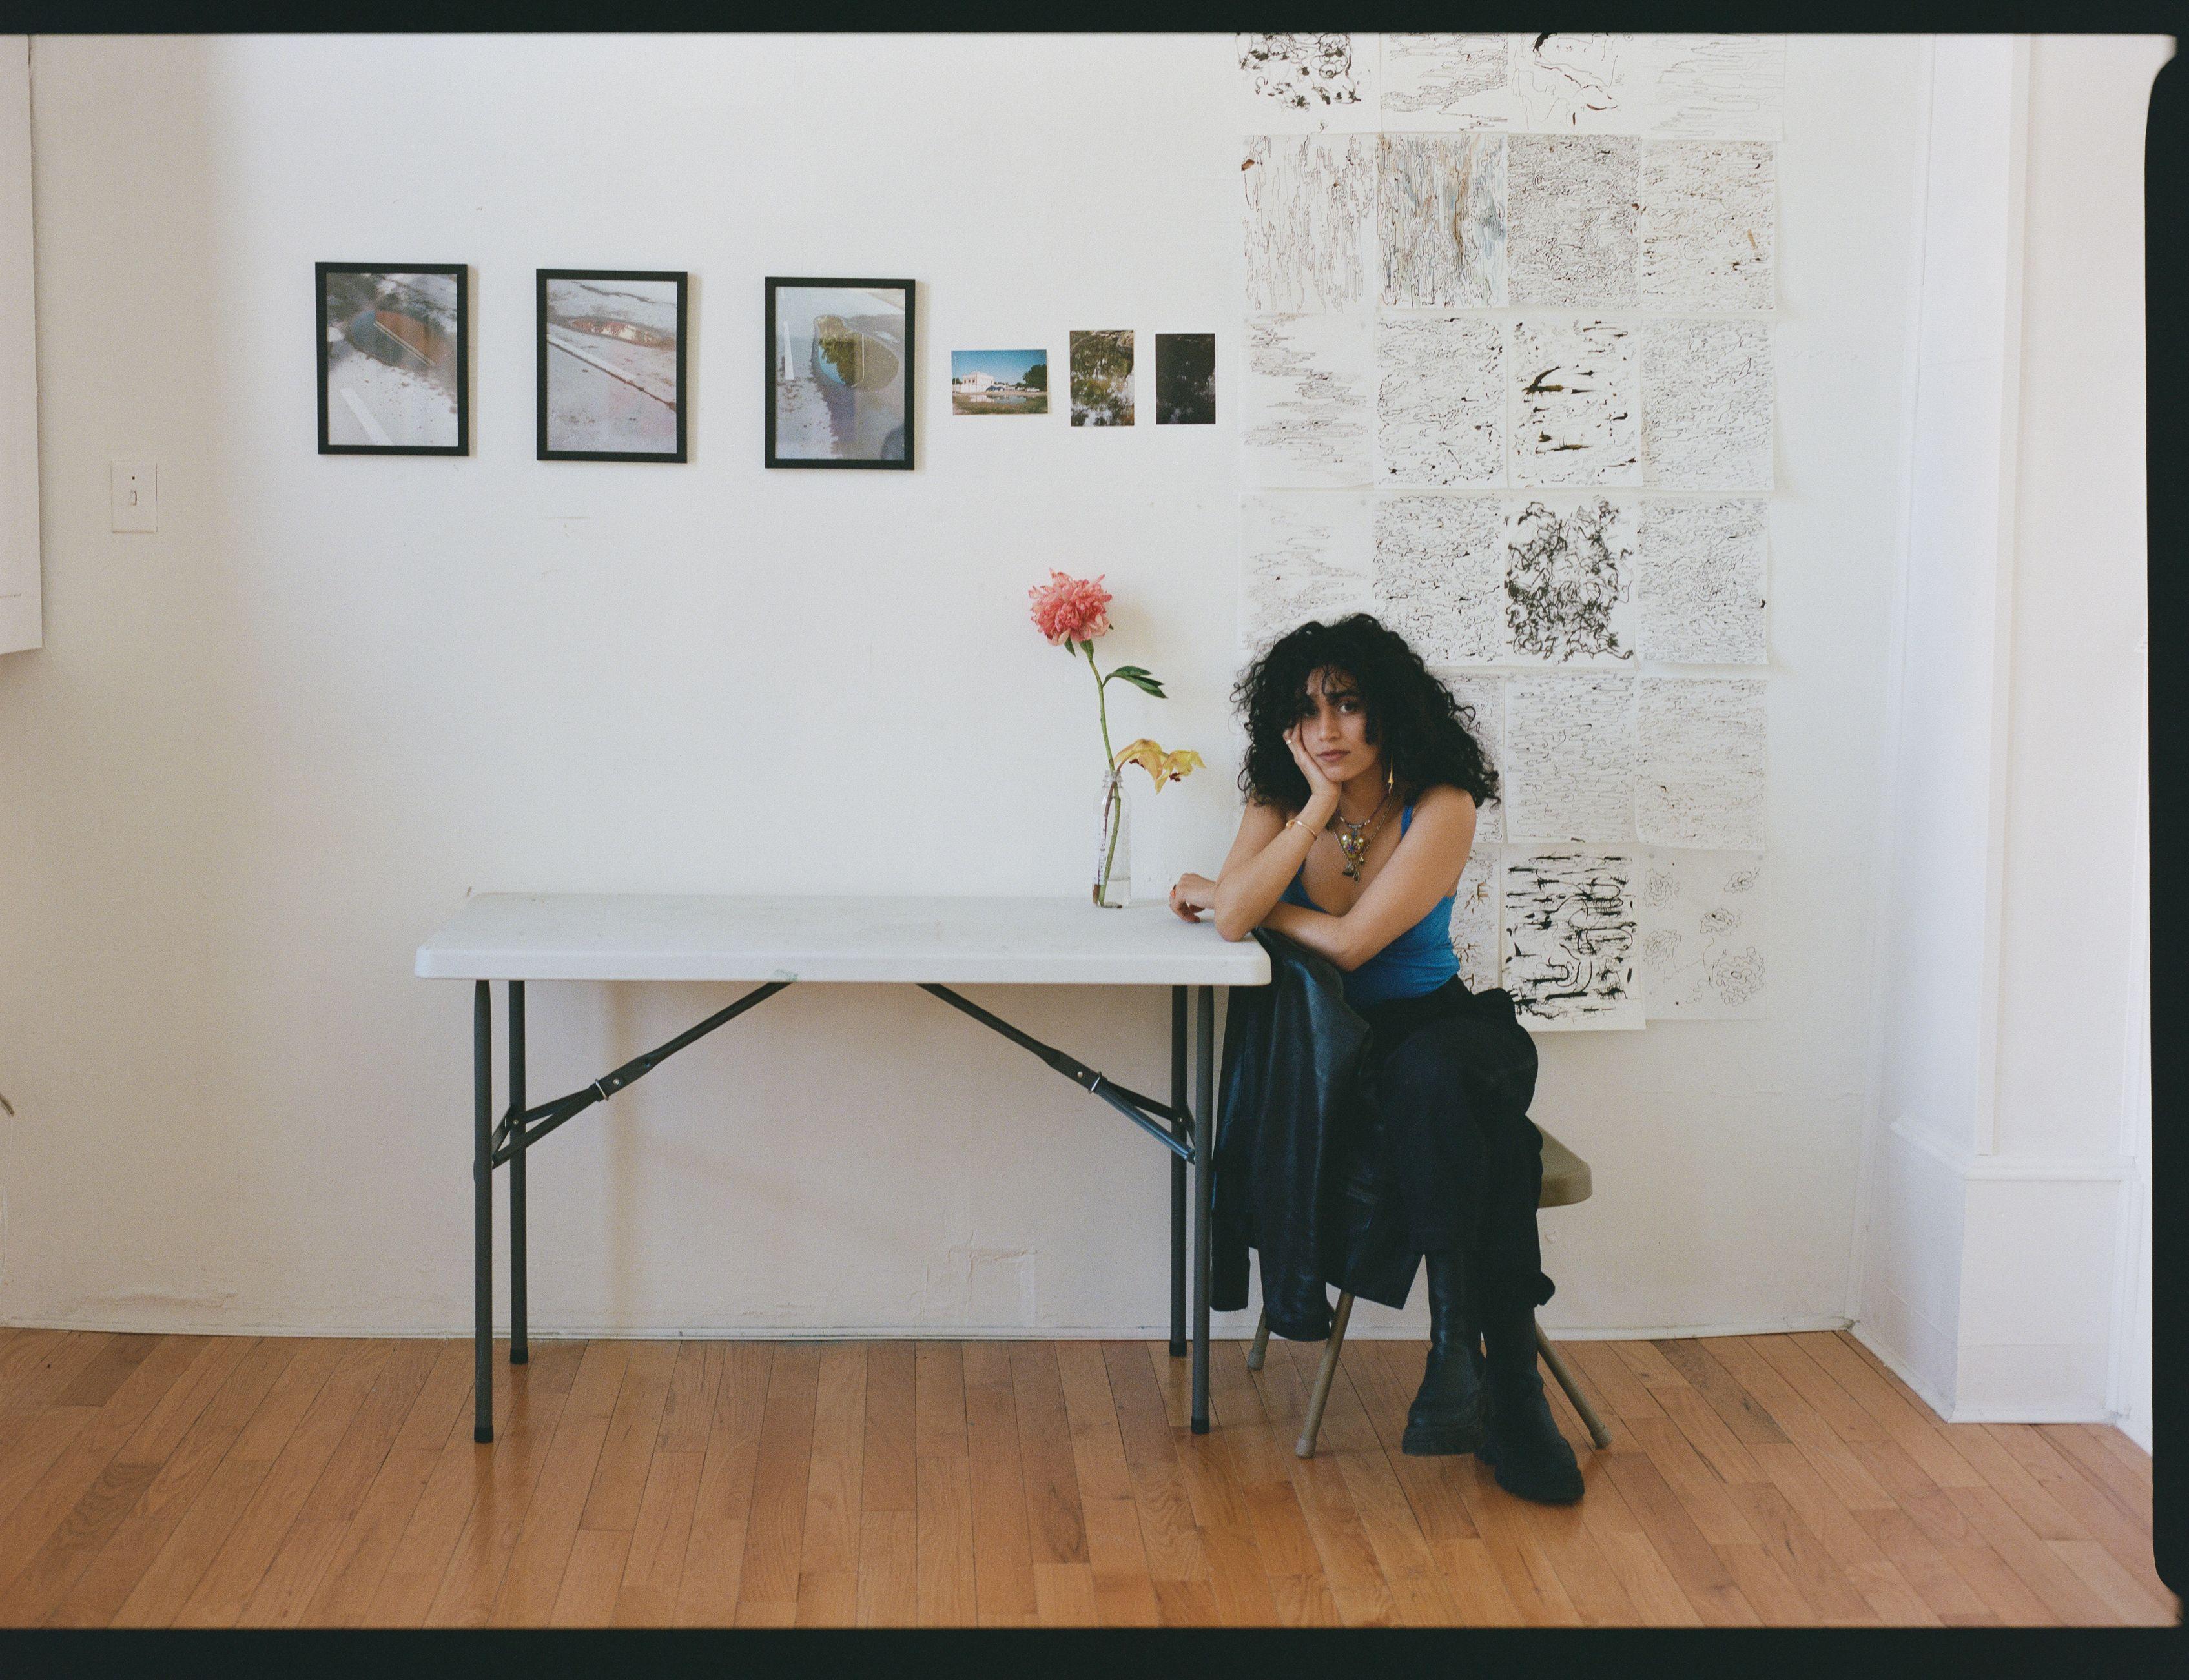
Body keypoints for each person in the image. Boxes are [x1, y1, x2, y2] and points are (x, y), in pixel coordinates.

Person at [1167, 614, 1584, 1504]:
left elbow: (1348, 943)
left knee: (1438, 1077)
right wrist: (1312, 809)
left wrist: (1232, 896)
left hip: (1449, 1031)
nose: (1327, 729)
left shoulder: (1440, 803)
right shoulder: (1280, 802)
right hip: (1340, 1057)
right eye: (1306, 709)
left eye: (1348, 705)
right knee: (1496, 1149)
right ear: (1283, 723)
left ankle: (1456, 1360)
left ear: (1386, 710)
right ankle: (1507, 1387)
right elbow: (1236, 918)